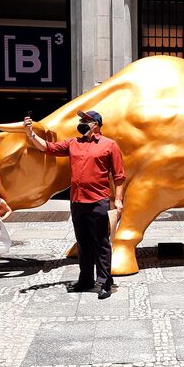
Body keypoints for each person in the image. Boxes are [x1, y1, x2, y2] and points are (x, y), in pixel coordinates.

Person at [24, 110, 125, 299]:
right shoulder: (73, 143)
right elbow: (48, 147)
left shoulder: (109, 145)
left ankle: (104, 282)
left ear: (96, 124)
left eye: (85, 120)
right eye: (81, 120)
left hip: (98, 200)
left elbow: (119, 176)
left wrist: (118, 200)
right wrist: (30, 134)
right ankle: (85, 280)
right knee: (83, 243)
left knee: (101, 243)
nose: (81, 123)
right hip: (77, 201)